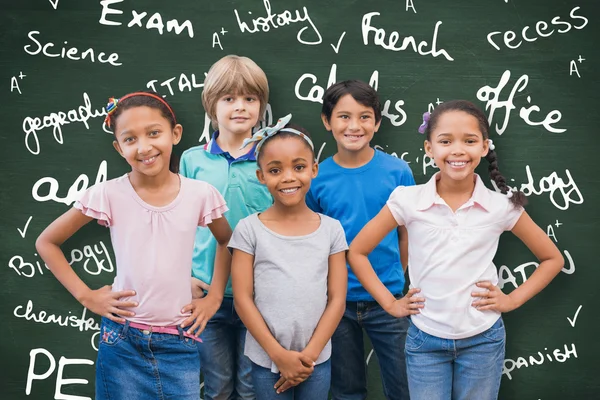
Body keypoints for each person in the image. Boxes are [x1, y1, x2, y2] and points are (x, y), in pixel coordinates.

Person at [348, 99, 565, 400]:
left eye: (470, 140)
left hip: (483, 340)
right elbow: (357, 251)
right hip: (425, 341)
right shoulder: (407, 200)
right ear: (429, 148)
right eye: (445, 141)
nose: (458, 150)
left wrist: (512, 300)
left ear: (485, 147)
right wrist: (390, 304)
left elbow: (552, 258)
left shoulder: (500, 206)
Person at [35, 91, 232, 400]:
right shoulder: (108, 194)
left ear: (175, 134)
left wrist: (215, 296)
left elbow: (225, 240)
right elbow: (47, 241)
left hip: (179, 342)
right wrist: (86, 295)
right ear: (118, 147)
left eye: (154, 133)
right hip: (122, 341)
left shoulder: (200, 194)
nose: (144, 147)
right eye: (130, 139)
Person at [306, 79, 414, 399]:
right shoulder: (316, 177)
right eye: (343, 116)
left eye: (365, 116)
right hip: (336, 303)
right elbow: (313, 238)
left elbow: (406, 234)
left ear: (377, 123)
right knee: (346, 389)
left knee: (404, 385)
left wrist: (396, 278)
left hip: (389, 300)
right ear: (327, 122)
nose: (355, 125)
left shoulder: (398, 173)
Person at [230, 115, 348, 400]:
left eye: (298, 167)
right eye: (275, 170)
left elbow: (337, 299)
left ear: (314, 169)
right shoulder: (249, 229)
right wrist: (278, 355)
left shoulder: (331, 229)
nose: (288, 177)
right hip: (266, 360)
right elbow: (242, 299)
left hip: (316, 359)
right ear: (261, 176)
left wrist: (309, 354)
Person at [179, 55, 272, 399]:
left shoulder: (271, 158)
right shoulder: (193, 159)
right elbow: (181, 226)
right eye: (229, 99)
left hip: (261, 291)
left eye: (250, 98)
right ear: (211, 105)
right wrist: (183, 276)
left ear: (261, 106)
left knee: (252, 388)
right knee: (216, 387)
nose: (240, 107)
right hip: (205, 293)